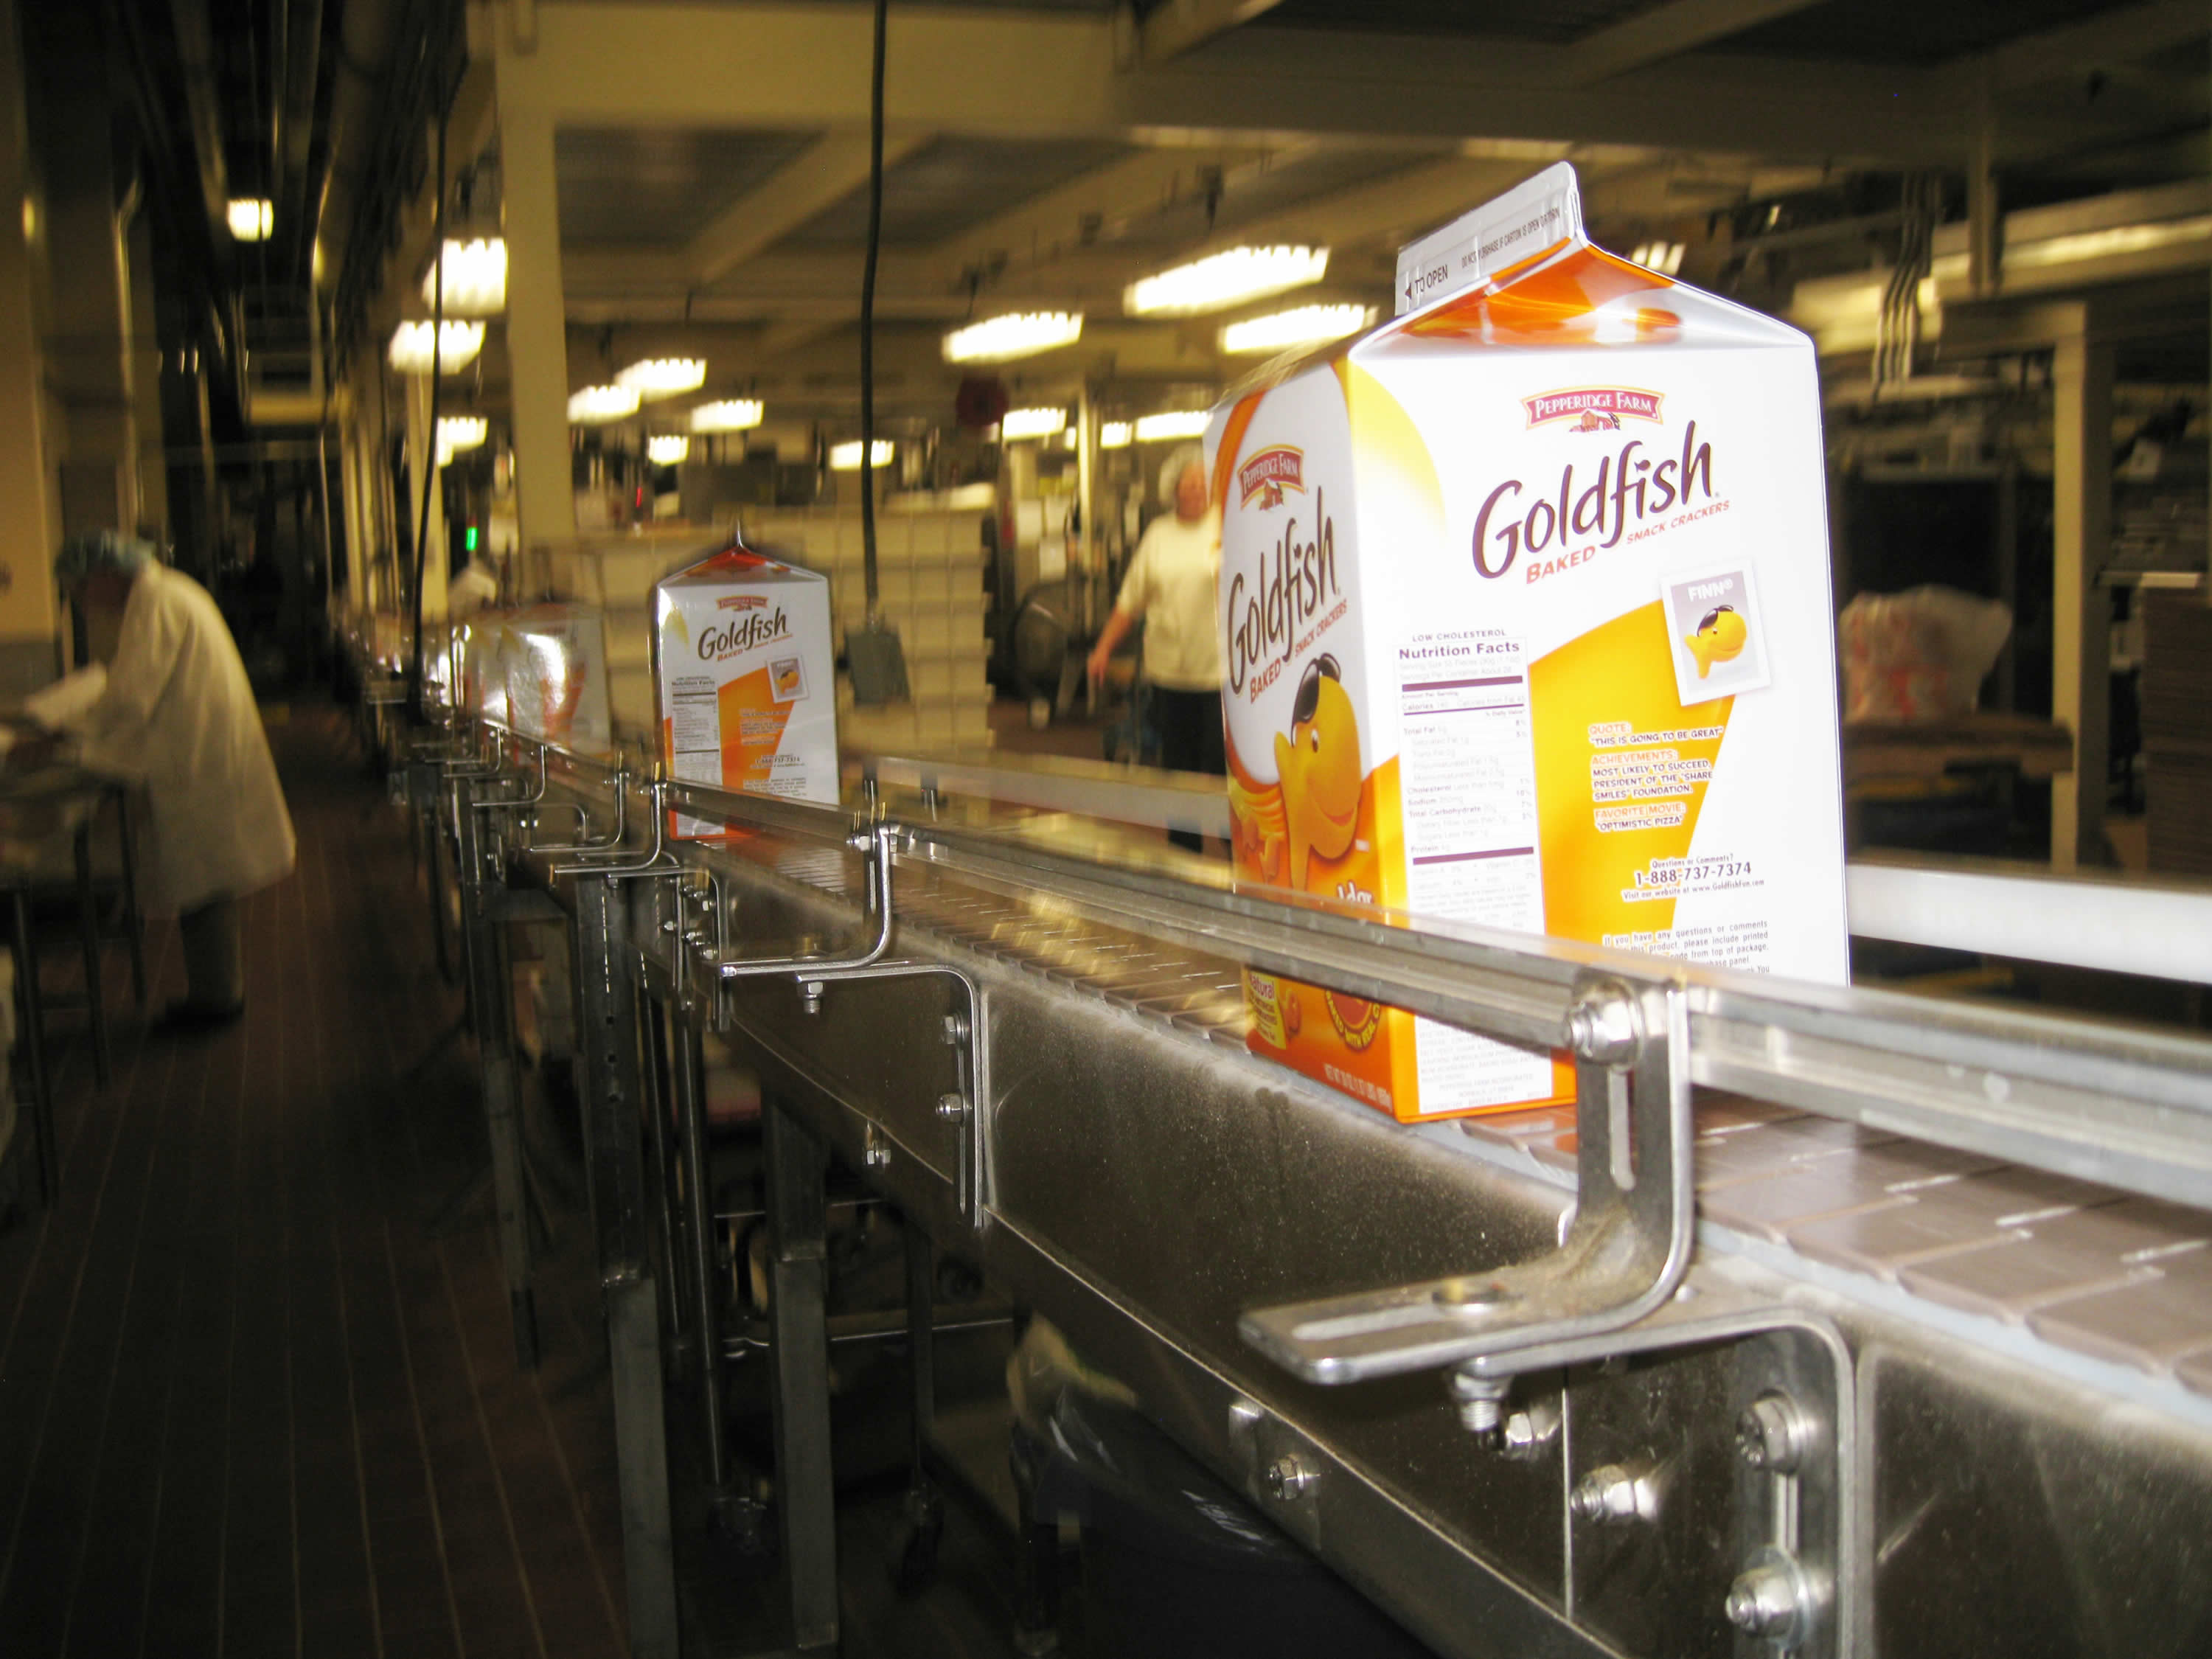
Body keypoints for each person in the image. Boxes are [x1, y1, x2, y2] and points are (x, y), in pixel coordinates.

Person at [13, 532, 296, 1031]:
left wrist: (60, 734)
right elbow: (133, 689)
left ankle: (217, 1002)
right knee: (203, 879)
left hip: (198, 759)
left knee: (204, 879)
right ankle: (217, 994)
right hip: (198, 752)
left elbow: (130, 695)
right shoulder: (165, 593)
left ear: (104, 574)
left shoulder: (156, 601)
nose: (83, 604)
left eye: (80, 591)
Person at [1087, 448, 1222, 851]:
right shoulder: (1158, 536)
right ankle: (1185, 861)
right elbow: (1130, 601)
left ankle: (1241, 864)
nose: (1196, 489)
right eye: (1188, 483)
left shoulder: (1228, 528)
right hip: (1169, 678)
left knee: (1222, 774)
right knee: (1177, 776)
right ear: (1173, 490)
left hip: (1221, 677)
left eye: (1203, 482)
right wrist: (1103, 648)